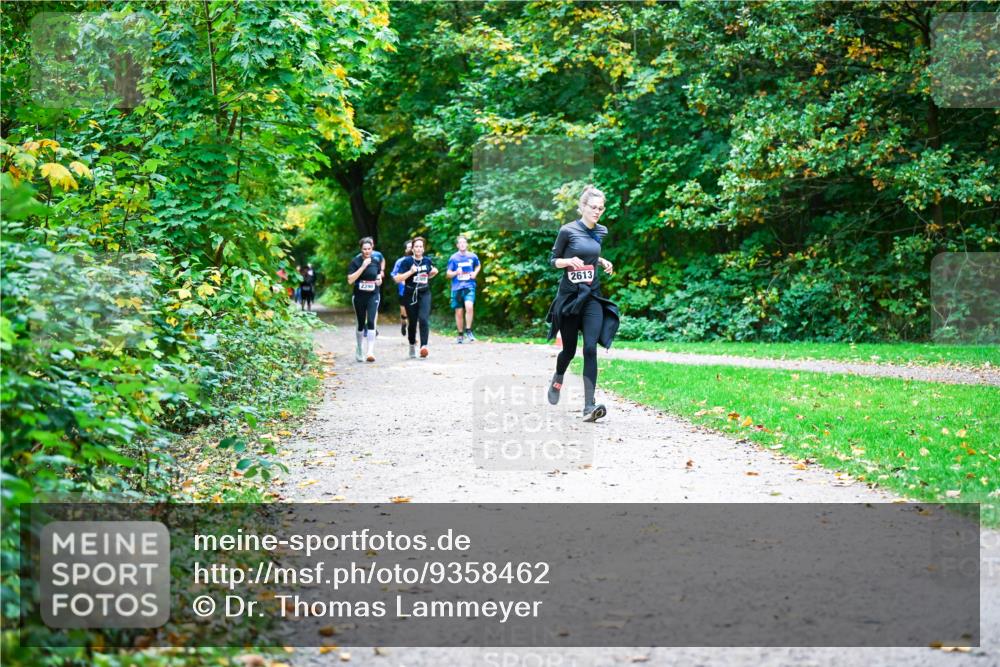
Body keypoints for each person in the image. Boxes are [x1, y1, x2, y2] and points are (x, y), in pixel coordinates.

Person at [545, 185, 620, 422]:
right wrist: (568, 261)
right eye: (593, 207)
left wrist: (600, 260)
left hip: (591, 297)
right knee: (568, 350)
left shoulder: (601, 231)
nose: (597, 211)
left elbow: (589, 253)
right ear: (582, 207)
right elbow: (553, 260)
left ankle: (589, 406)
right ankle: (558, 378)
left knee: (590, 348)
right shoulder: (567, 231)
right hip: (569, 298)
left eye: (600, 208)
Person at [393, 236, 438, 358]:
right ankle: (412, 344)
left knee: (423, 319)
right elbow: (397, 279)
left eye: (421, 246)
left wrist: (431, 275)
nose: (418, 249)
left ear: (423, 249)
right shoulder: (406, 262)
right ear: (412, 249)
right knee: (412, 323)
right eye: (416, 246)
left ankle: (424, 346)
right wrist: (410, 272)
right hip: (410, 294)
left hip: (424, 293)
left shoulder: (427, 261)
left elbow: (431, 273)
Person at [347, 237, 383, 362]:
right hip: (359, 296)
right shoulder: (355, 262)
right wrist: (362, 267)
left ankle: (370, 351)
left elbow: (378, 275)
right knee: (361, 323)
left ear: (372, 248)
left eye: (369, 249)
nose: (367, 251)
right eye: (364, 249)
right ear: (361, 249)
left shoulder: (376, 261)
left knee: (372, 321)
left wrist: (379, 280)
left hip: (373, 294)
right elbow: (350, 280)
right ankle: (359, 348)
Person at [446, 235, 481, 343]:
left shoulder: (472, 256)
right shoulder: (453, 258)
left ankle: (469, 331)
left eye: (464, 242)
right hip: (457, 288)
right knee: (459, 312)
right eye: (460, 243)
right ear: (457, 245)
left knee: (469, 307)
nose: (462, 244)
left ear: (467, 244)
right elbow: (448, 274)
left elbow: (478, 265)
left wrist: (475, 273)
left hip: (469, 286)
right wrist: (456, 272)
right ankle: (460, 334)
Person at [390, 240, 413, 336]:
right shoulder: (400, 261)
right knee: (404, 313)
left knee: (413, 314)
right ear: (405, 249)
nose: (411, 249)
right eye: (409, 247)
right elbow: (393, 274)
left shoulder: (419, 261)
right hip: (403, 291)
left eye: (412, 246)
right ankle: (403, 324)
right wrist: (402, 280)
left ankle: (413, 335)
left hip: (415, 291)